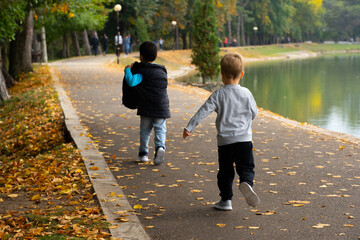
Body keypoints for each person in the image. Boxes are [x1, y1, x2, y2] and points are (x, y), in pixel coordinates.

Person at [183, 52, 260, 210]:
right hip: (244, 140)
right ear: (242, 74)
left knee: (225, 172)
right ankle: (246, 182)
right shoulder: (247, 93)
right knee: (246, 167)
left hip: (225, 142)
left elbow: (203, 111)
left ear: (222, 74)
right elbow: (254, 113)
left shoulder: (218, 95)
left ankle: (226, 201)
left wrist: (189, 127)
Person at [123, 41, 170, 165]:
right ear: (156, 56)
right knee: (160, 129)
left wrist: (127, 70)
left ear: (141, 56)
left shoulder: (143, 71)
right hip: (161, 107)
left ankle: (143, 154)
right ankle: (160, 147)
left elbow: (131, 82)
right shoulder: (161, 70)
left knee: (145, 131)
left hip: (146, 107)